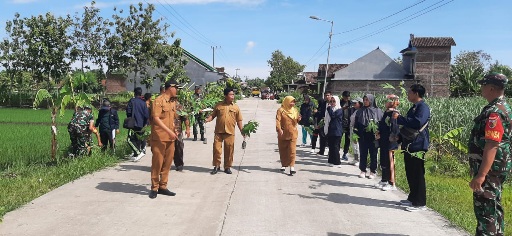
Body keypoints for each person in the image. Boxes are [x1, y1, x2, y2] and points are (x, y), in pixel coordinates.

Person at [468, 73, 512, 235]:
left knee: (486, 213)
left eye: (483, 85)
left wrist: (481, 175)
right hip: (496, 168)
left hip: (489, 170)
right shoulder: (504, 108)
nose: (481, 89)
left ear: (492, 88)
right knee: (494, 208)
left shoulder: (495, 112)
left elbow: (492, 144)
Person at [396, 84, 430, 212]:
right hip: (410, 144)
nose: (408, 94)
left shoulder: (423, 107)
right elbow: (408, 127)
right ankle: (412, 198)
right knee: (410, 172)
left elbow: (417, 123)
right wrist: (399, 137)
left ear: (416, 94)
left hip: (418, 145)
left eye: (410, 92)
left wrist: (400, 118)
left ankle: (420, 203)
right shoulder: (414, 107)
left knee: (417, 174)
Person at [148, 79, 182, 199]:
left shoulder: (172, 102)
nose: (177, 90)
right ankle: (154, 187)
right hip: (159, 137)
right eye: (176, 88)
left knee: (167, 163)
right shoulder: (158, 101)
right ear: (170, 88)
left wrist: (174, 129)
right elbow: (156, 118)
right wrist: (168, 131)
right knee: (157, 162)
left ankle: (163, 186)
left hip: (170, 138)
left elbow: (171, 119)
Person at [205, 88, 245, 175]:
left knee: (229, 150)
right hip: (219, 131)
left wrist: (242, 130)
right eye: (231, 95)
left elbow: (239, 120)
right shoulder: (219, 105)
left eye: (233, 94)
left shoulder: (235, 107)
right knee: (216, 149)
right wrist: (208, 119)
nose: (233, 96)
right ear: (226, 96)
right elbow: (213, 115)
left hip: (230, 132)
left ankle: (227, 167)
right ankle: (216, 166)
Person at [354, 94, 383, 179]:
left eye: (367, 100)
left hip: (373, 136)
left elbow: (381, 124)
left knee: (373, 154)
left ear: (371, 100)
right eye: (364, 100)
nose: (365, 101)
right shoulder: (360, 111)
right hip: (363, 136)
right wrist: (355, 135)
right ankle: (363, 170)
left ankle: (372, 171)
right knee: (363, 153)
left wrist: (379, 133)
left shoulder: (378, 111)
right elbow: (356, 124)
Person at [376, 94, 400, 191]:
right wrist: (378, 132)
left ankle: (392, 182)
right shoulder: (386, 113)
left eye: (389, 100)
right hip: (383, 140)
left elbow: (394, 129)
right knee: (383, 161)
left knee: (390, 161)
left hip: (390, 141)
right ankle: (384, 179)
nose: (386, 102)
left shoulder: (394, 113)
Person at [276, 96, 301, 174]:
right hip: (283, 133)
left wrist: (299, 119)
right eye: (291, 102)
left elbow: (296, 121)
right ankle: (284, 165)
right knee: (283, 150)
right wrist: (279, 129)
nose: (292, 104)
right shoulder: (281, 110)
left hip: (293, 133)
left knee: (292, 150)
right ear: (286, 102)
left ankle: (292, 167)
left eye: (293, 102)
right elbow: (278, 120)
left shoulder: (295, 110)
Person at [126, 87, 149, 161]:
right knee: (138, 138)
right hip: (141, 124)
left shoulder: (131, 101)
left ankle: (138, 152)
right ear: (141, 93)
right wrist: (145, 123)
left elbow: (128, 112)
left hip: (133, 124)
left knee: (130, 139)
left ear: (134, 93)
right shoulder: (143, 103)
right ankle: (137, 153)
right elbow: (146, 115)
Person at [173, 92, 191, 172]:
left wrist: (187, 129)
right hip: (166, 131)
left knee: (179, 147)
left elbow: (185, 118)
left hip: (177, 131)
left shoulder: (179, 106)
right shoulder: (164, 106)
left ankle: (179, 164)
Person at [325, 95, 343, 167]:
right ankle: (331, 161)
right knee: (331, 146)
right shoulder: (330, 109)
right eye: (331, 101)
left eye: (334, 101)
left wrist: (329, 109)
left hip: (337, 131)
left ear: (337, 102)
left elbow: (333, 116)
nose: (332, 103)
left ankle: (337, 162)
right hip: (331, 130)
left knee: (335, 146)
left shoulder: (339, 110)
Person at [315, 91, 332, 156]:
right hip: (323, 121)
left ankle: (330, 152)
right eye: (326, 95)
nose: (327, 97)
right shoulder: (323, 103)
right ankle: (321, 151)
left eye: (328, 95)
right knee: (322, 136)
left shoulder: (333, 103)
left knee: (330, 137)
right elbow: (320, 112)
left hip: (330, 122)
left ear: (331, 95)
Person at [349, 98, 363, 166]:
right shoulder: (356, 111)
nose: (354, 105)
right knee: (354, 145)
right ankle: (355, 158)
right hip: (353, 129)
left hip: (357, 130)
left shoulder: (361, 111)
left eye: (355, 103)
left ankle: (359, 160)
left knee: (357, 145)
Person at [340, 91, 351, 161]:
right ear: (343, 96)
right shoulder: (339, 102)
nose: (347, 98)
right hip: (341, 123)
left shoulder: (351, 103)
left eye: (348, 97)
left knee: (348, 139)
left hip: (349, 123)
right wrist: (342, 108)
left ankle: (345, 153)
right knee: (339, 138)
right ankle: (336, 152)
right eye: (345, 97)